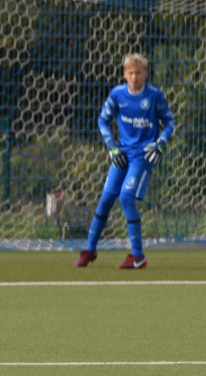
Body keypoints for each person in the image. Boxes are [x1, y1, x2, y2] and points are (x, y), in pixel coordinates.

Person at [75, 53, 174, 269]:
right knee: (106, 199)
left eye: (138, 72)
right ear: (124, 74)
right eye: (130, 73)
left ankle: (138, 256)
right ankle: (90, 250)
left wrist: (160, 143)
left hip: (143, 155)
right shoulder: (117, 94)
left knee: (126, 197)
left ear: (145, 73)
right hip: (122, 154)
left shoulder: (154, 96)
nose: (134, 77)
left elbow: (169, 122)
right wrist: (111, 146)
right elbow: (103, 120)